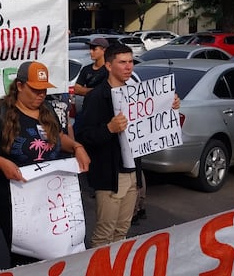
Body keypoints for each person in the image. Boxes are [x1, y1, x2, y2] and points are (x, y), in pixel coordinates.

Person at [0, 61, 90, 266]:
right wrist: (2, 163)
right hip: (13, 197)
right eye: (35, 89)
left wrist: (76, 147)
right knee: (27, 254)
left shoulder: (46, 109)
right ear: (19, 86)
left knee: (55, 247)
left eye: (44, 89)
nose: (40, 94)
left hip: (47, 196)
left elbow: (58, 137)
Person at [75, 44, 178, 247]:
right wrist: (109, 129)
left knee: (122, 230)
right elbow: (83, 136)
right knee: (105, 233)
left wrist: (170, 104)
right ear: (108, 66)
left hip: (132, 172)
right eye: (122, 62)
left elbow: (152, 118)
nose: (128, 67)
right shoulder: (97, 97)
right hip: (110, 175)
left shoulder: (137, 93)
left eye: (131, 61)